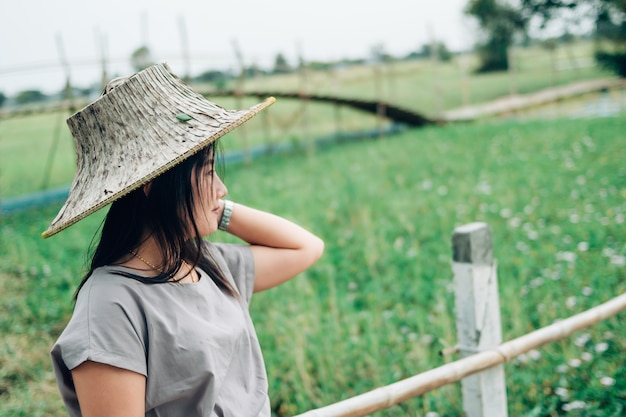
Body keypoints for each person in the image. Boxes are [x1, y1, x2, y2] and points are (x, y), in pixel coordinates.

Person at [45, 63, 324, 417]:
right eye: (208, 172)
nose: (222, 188)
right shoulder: (109, 306)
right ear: (153, 183)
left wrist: (216, 209)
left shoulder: (204, 263)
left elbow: (306, 247)